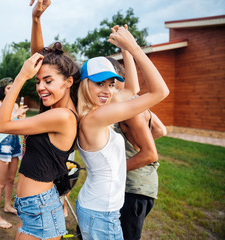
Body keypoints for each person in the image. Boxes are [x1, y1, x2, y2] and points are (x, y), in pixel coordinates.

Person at [75, 25, 169, 240]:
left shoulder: (96, 110)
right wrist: (134, 47)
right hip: (100, 212)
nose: (107, 91)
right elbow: (160, 91)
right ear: (84, 84)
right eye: (99, 84)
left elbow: (131, 91)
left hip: (100, 208)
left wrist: (124, 50)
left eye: (110, 84)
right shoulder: (96, 118)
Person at [0, 38, 81, 239]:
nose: (40, 87)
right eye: (38, 81)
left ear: (68, 82)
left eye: (48, 81)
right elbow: (38, 55)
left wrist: (21, 77)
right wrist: (36, 18)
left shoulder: (62, 116)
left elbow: (0, 125)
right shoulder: (56, 110)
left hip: (41, 207)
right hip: (34, 205)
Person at [111, 58, 168, 240]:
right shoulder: (136, 103)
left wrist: (115, 168)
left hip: (135, 189)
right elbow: (160, 130)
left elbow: (150, 154)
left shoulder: (130, 109)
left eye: (109, 81)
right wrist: (137, 143)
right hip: (142, 185)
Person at [0, 77, 28, 229]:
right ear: (2, 90)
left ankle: (7, 206)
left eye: (13, 87)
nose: (11, 90)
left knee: (11, 179)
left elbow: (17, 125)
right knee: (1, 182)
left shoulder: (15, 105)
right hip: (3, 145)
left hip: (15, 143)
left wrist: (21, 118)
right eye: (8, 88)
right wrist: (15, 113)